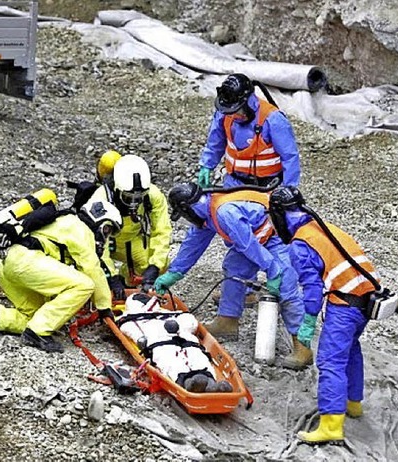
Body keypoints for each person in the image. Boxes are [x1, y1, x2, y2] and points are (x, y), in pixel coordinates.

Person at [153, 182, 313, 370]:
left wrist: (272, 270)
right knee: (234, 267)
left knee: (286, 284)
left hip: (277, 235)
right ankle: (227, 321)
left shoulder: (224, 213)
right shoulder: (206, 213)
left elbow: (248, 246)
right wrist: (174, 273)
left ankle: (303, 347)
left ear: (188, 209)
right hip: (255, 236)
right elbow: (192, 245)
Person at [268, 186, 380, 444]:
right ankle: (353, 404)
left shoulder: (300, 243)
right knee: (351, 350)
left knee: (330, 361)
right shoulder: (323, 228)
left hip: (345, 305)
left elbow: (312, 288)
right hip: (366, 299)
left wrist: (308, 320)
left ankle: (331, 424)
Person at [0, 199, 123, 353]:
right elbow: (92, 269)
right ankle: (37, 333)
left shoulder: (62, 220)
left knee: (38, 315)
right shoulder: (79, 228)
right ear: (99, 220)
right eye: (107, 230)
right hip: (26, 262)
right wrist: (104, 307)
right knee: (85, 286)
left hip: (7, 265)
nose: (105, 237)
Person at [197, 73, 301, 189]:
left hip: (267, 186)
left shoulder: (273, 119)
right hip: (233, 182)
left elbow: (289, 156)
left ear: (248, 102)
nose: (233, 115)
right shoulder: (225, 113)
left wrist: (289, 189)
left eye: (237, 110)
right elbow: (215, 143)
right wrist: (206, 165)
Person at [89, 154, 172, 297]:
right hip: (107, 241)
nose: (133, 203)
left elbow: (162, 231)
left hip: (131, 240)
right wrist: (111, 276)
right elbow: (98, 243)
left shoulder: (153, 195)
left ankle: (126, 282)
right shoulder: (101, 200)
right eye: (128, 197)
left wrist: (155, 266)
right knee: (93, 270)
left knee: (161, 263)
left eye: (138, 198)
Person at [117, 293, 233, 393]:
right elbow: (132, 331)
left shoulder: (171, 313)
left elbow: (191, 323)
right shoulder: (130, 319)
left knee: (197, 356)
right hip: (159, 341)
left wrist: (179, 325)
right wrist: (141, 340)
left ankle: (211, 384)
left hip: (182, 338)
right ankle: (188, 383)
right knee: (173, 362)